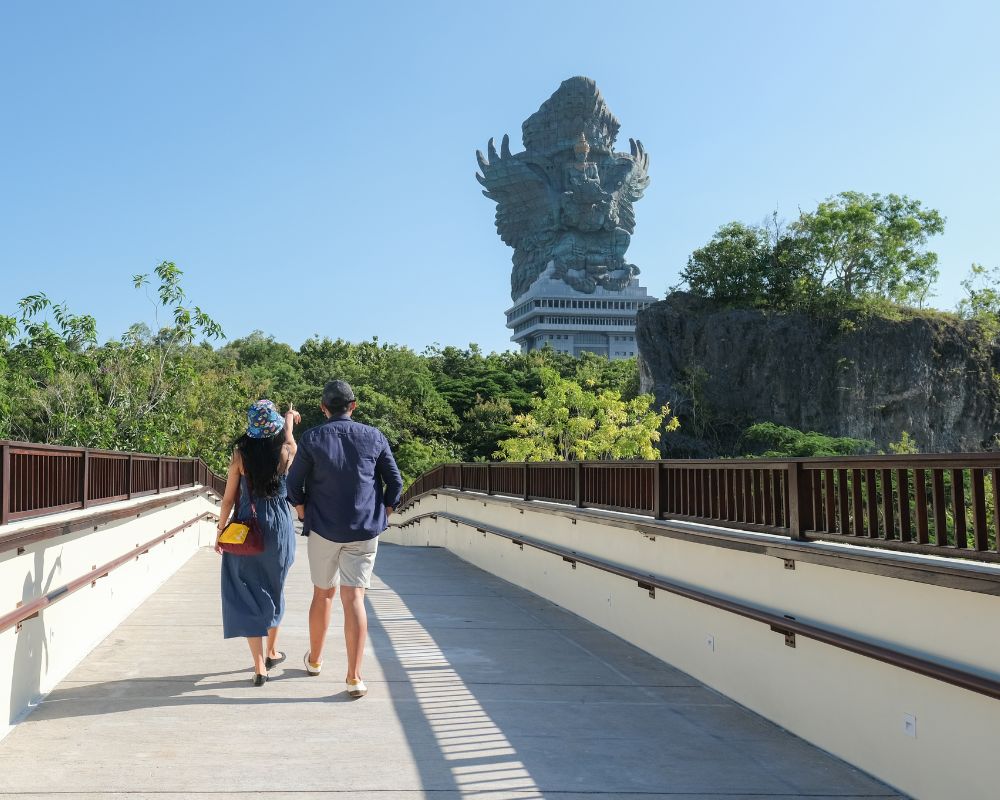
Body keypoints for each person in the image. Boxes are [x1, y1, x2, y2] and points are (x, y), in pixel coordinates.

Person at [286, 379, 403, 698]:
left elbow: (293, 483)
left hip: (323, 527)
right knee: (354, 598)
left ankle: (315, 660)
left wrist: (301, 511)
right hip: (364, 529)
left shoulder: (311, 438)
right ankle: (354, 676)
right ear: (353, 406)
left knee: (323, 594)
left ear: (324, 408)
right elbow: (395, 482)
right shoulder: (374, 436)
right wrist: (384, 512)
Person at [215, 399, 300, 686]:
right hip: (279, 525)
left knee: (246, 591)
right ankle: (273, 650)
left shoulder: (240, 455)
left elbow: (227, 499)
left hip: (247, 525)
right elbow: (288, 435)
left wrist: (220, 531)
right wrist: (289, 417)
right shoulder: (287, 451)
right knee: (274, 587)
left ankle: (259, 666)